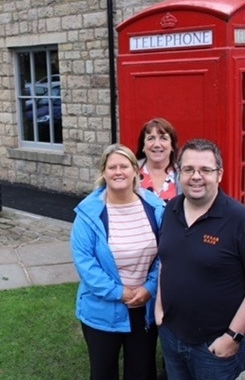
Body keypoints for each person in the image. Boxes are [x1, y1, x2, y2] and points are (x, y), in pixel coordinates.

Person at [155, 139, 245, 380]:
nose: (196, 176)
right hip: (171, 335)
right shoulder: (171, 209)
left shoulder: (240, 220)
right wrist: (159, 309)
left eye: (205, 170)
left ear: (219, 175)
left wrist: (233, 337)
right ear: (179, 173)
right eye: (188, 169)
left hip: (214, 347)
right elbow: (166, 262)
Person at [71, 143, 165, 380]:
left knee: (142, 373)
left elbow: (166, 254)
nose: (118, 171)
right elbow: (85, 263)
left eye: (124, 166)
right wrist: (118, 292)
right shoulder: (89, 213)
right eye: (112, 167)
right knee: (103, 374)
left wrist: (150, 288)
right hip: (101, 310)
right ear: (103, 172)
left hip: (144, 308)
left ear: (135, 170)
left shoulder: (155, 208)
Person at [134, 118, 180, 203]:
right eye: (151, 138)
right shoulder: (131, 173)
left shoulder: (182, 174)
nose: (157, 144)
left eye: (163, 138)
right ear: (143, 146)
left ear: (172, 146)